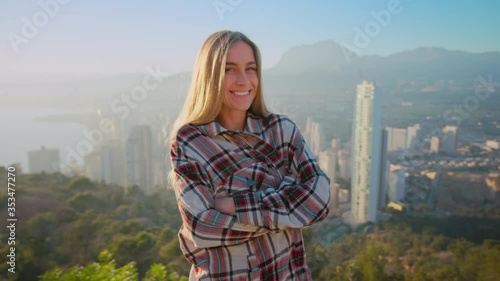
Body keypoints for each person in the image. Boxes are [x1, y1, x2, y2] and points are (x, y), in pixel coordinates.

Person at [169, 30, 330, 281]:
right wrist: (290, 204)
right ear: (209, 76)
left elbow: (320, 200)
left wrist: (234, 205)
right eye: (229, 69)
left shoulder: (281, 130)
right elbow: (203, 227)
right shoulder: (190, 142)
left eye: (251, 68)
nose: (244, 80)